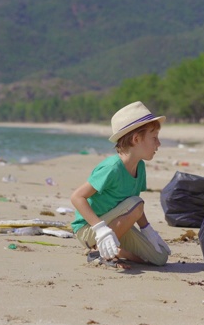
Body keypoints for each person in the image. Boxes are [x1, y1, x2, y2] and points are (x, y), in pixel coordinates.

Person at [70, 101, 171, 267]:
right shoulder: (112, 167)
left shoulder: (139, 166)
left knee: (160, 257)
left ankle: (116, 251)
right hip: (90, 229)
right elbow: (77, 197)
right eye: (154, 138)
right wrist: (100, 230)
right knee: (137, 203)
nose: (158, 144)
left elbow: (132, 206)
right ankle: (98, 249)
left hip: (117, 225)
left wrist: (148, 231)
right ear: (136, 139)